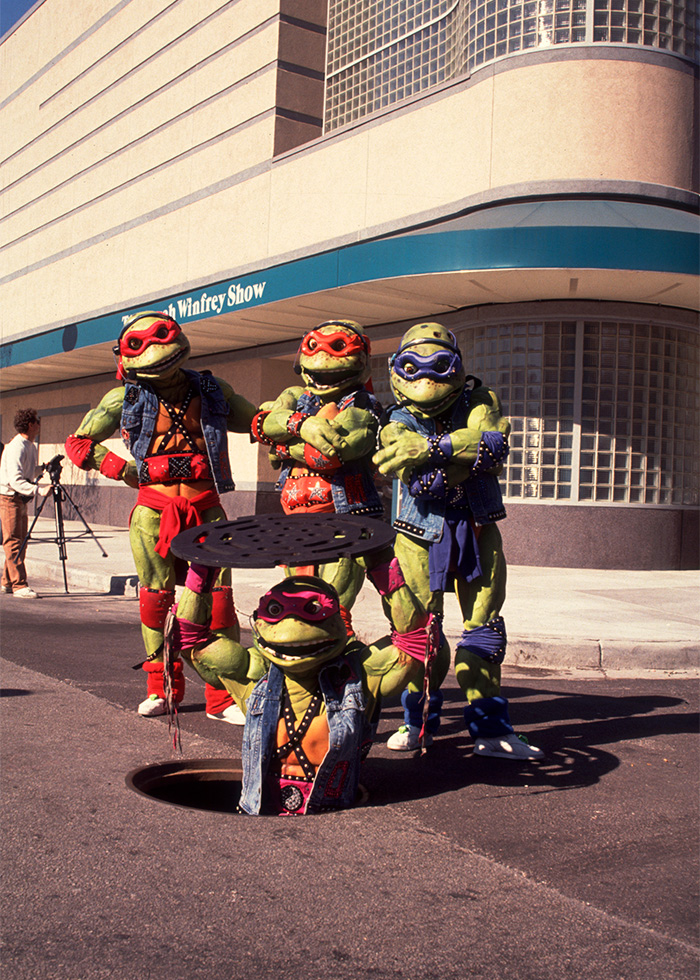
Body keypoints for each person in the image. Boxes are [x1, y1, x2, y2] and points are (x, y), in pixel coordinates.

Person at [64, 312, 256, 720]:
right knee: (155, 601)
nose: (156, 350)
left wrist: (293, 420)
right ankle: (162, 688)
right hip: (152, 512)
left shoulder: (211, 389)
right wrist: (121, 468)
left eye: (163, 337)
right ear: (125, 357)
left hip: (206, 511)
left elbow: (256, 420)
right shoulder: (125, 398)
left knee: (218, 602)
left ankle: (221, 696)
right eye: (139, 344)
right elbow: (79, 443)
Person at [374, 322, 544, 760]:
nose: (426, 379)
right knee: (419, 634)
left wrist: (431, 450)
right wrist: (463, 454)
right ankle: (419, 722)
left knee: (483, 631)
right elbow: (407, 457)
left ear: (457, 366)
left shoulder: (479, 399)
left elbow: (492, 443)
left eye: (440, 365)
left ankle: (489, 730)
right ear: (397, 370)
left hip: (477, 527)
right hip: (417, 535)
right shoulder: (394, 417)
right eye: (413, 366)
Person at [0, 408, 51, 598]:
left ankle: (6, 582)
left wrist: (43, 469)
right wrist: (39, 489)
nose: (39, 424)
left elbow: (28, 473)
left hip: (20, 498)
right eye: (37, 421)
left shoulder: (30, 445)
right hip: (9, 498)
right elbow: (15, 480)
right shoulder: (16, 447)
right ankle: (19, 586)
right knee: (13, 541)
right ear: (30, 424)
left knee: (20, 541)